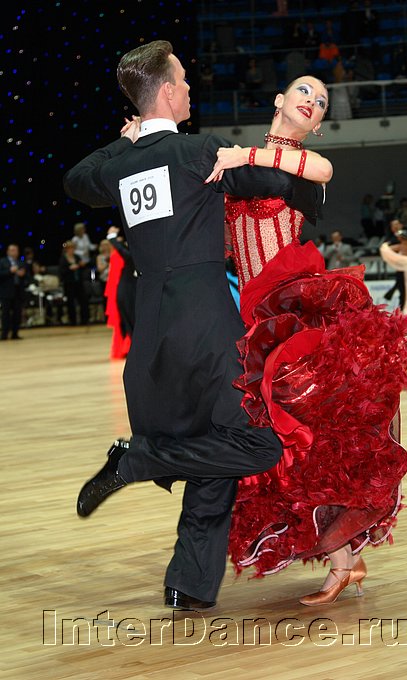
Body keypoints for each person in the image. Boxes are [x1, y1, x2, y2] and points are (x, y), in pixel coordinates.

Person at [63, 40, 323, 611]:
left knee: (214, 443)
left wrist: (125, 140)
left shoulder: (120, 166)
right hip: (206, 324)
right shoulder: (199, 151)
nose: (187, 88)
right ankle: (137, 461)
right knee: (257, 445)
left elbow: (75, 180)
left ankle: (190, 581)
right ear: (165, 91)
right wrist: (307, 189)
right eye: (181, 80)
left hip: (152, 332)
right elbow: (277, 186)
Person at [206, 75, 407, 605]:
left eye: (321, 101)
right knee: (293, 443)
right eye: (304, 91)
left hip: (292, 308)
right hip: (252, 317)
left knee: (308, 435)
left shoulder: (300, 165)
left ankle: (344, 557)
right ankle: (345, 559)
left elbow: (323, 170)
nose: (312, 101)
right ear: (278, 100)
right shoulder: (237, 167)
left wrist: (241, 155)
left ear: (320, 124)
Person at [104, 226, 137, 359]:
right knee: (127, 320)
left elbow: (126, 254)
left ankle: (131, 347)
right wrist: (112, 238)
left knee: (129, 320)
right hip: (126, 290)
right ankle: (131, 347)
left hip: (128, 289)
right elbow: (124, 253)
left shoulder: (132, 253)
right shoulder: (127, 253)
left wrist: (112, 238)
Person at [58, 241, 90, 326]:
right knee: (71, 303)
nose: (72, 250)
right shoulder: (63, 259)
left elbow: (82, 267)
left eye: (73, 248)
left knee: (83, 301)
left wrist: (81, 265)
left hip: (78, 282)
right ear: (67, 249)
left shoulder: (77, 257)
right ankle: (73, 321)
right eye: (70, 248)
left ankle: (84, 320)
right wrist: (70, 268)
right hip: (69, 283)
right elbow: (61, 272)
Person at [0, 244, 27, 340]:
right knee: (5, 314)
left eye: (16, 250)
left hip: (18, 291)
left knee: (17, 313)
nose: (14, 252)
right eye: (12, 250)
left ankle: (15, 333)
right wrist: (10, 271)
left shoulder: (20, 262)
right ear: (8, 251)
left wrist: (23, 274)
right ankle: (4, 334)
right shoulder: (2, 262)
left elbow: (26, 276)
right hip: (6, 292)